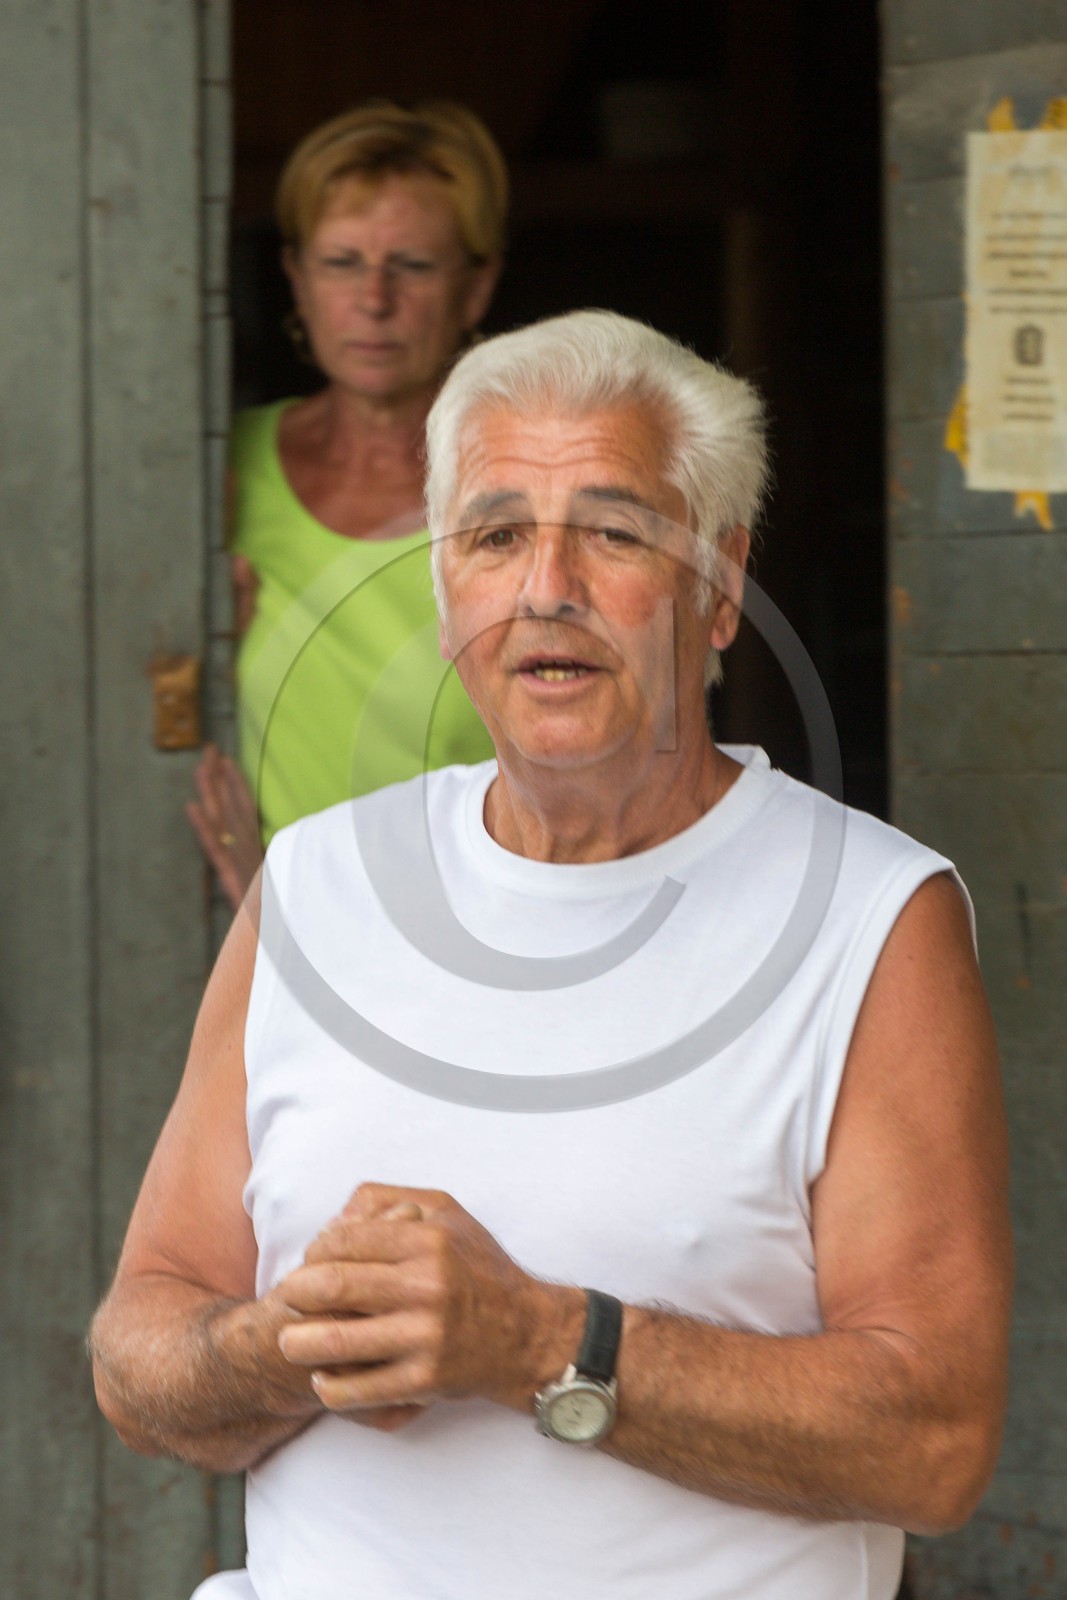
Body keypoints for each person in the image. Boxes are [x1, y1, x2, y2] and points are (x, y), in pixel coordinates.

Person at [91, 311, 1012, 1600]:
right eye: (495, 534)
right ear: (444, 581)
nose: (545, 587)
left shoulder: (869, 917)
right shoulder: (315, 883)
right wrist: (292, 1345)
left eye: (614, 531)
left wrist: (530, 1339)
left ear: (721, 582)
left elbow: (935, 1442)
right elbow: (138, 1351)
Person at [188, 101, 504, 909]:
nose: (373, 298)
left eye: (413, 266)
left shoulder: (523, 491)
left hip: (472, 938)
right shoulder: (211, 473)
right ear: (295, 278)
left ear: (475, 287)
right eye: (340, 262)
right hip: (247, 934)